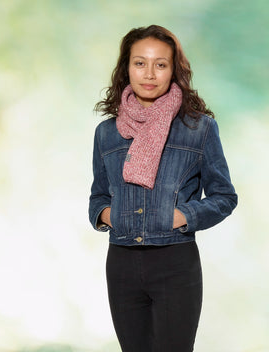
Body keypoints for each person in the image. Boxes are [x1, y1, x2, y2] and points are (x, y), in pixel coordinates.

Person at [89, 24, 238, 352]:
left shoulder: (198, 128)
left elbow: (224, 196)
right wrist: (109, 215)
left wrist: (181, 216)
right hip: (122, 263)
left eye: (161, 64)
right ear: (126, 68)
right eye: (140, 63)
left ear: (174, 70)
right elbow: (98, 195)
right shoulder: (106, 133)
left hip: (175, 262)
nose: (149, 73)